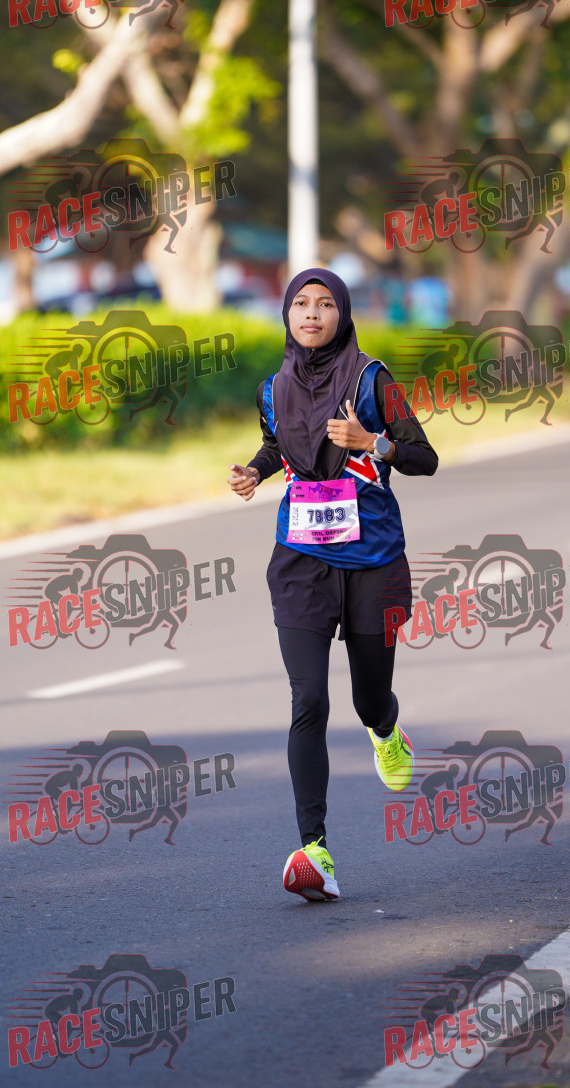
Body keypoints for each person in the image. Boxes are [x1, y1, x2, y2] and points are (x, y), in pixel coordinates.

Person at [228, 268, 438, 902]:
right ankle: (315, 851)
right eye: (301, 304)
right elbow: (277, 444)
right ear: (287, 316)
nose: (312, 314)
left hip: (374, 561)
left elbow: (424, 457)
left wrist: (374, 442)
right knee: (308, 700)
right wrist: (256, 471)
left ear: (342, 314)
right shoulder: (273, 389)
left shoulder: (373, 380)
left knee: (368, 698)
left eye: (324, 304)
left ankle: (385, 728)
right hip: (301, 562)